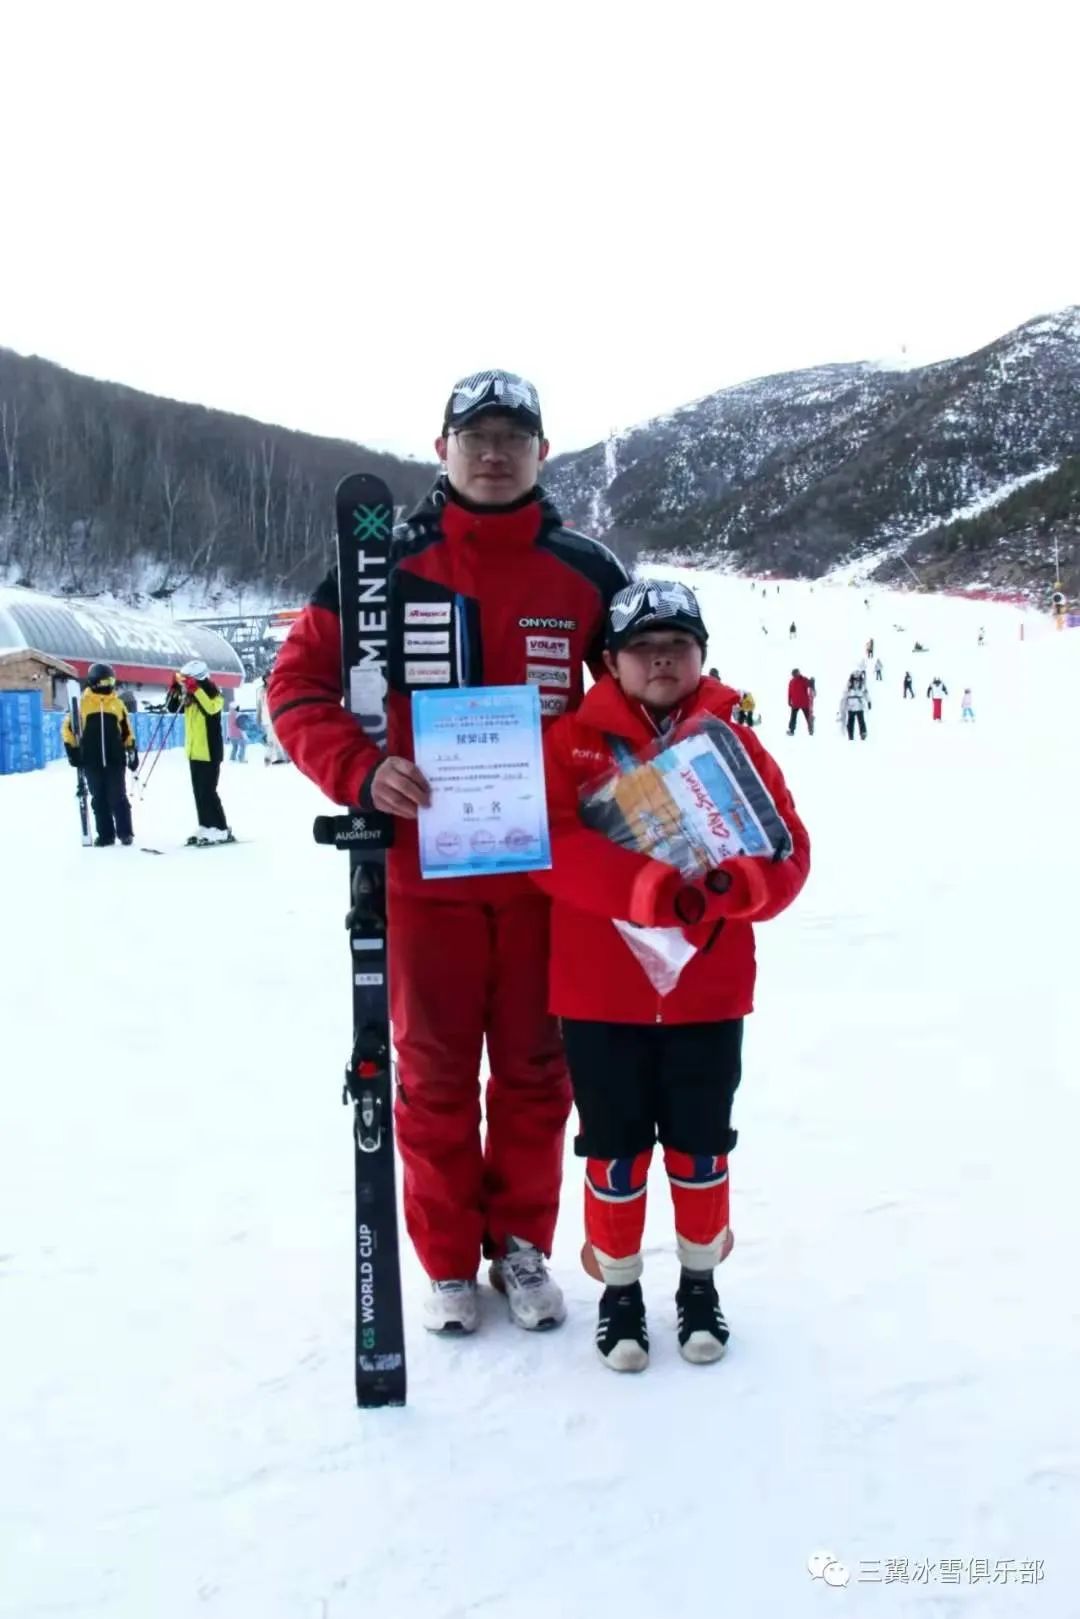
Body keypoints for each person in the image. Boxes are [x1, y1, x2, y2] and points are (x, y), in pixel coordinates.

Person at [268, 368, 628, 1335]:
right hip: (423, 876)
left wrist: (625, 804)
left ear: (544, 452)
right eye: (478, 435)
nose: (497, 451)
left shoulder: (590, 572)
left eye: (517, 435)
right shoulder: (380, 561)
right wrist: (359, 769)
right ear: (443, 449)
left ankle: (518, 1241)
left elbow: (640, 706)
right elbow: (296, 686)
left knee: (538, 1070)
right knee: (427, 1074)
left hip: (550, 879)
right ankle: (441, 1259)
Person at [532, 580, 810, 1370]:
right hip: (600, 992)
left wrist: (742, 885)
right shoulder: (570, 744)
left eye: (678, 646)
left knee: (701, 1145)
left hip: (706, 992)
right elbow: (549, 846)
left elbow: (788, 846)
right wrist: (646, 889)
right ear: (610, 662)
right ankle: (619, 1291)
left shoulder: (735, 741)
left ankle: (698, 1283)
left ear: (703, 657)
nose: (662, 660)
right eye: (643, 648)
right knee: (613, 1148)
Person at [62, 662, 137, 845]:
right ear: (95, 682)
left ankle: (125, 833)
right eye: (105, 681)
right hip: (92, 760)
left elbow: (127, 730)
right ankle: (105, 835)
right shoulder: (82, 704)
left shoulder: (117, 704)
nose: (109, 685)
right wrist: (73, 751)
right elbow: (68, 729)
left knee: (118, 796)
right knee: (99, 799)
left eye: (111, 681)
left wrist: (131, 749)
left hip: (114, 759)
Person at [164, 659, 231, 843]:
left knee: (208, 791)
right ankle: (205, 825)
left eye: (190, 681)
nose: (187, 685)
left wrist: (196, 690)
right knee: (198, 792)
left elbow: (210, 709)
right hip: (194, 752)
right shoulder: (191, 699)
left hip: (210, 752)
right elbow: (171, 708)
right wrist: (174, 690)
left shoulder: (214, 695)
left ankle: (220, 827)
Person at [840, 674, 867, 740]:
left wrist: (868, 701)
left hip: (854, 706)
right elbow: (844, 696)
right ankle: (854, 734)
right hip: (854, 707)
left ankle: (860, 733)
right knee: (855, 721)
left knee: (857, 721)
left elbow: (844, 696)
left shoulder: (853, 685)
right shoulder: (849, 686)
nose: (856, 681)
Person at [787, 668, 814, 735]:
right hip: (796, 703)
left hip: (803, 703)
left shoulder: (803, 679)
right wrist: (789, 700)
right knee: (793, 718)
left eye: (796, 673)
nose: (795, 675)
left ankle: (811, 730)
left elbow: (809, 684)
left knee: (807, 717)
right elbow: (790, 692)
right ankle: (792, 730)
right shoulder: (792, 681)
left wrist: (812, 682)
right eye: (794, 674)